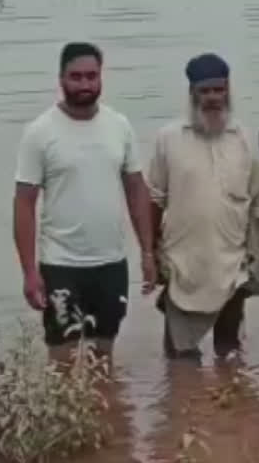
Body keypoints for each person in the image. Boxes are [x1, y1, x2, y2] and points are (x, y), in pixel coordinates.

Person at [12, 42, 155, 350]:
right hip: (60, 264)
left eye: (92, 76)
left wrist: (147, 252)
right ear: (61, 79)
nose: (85, 84)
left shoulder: (119, 126)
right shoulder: (40, 132)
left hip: (111, 263)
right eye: (76, 77)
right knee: (63, 363)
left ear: (101, 77)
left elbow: (136, 189)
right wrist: (29, 272)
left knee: (104, 358)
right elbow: (24, 203)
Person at [147, 53, 259, 359]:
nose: (213, 98)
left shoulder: (244, 139)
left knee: (230, 354)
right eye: (205, 91)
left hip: (232, 266)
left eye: (219, 89)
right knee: (179, 359)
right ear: (192, 93)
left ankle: (221, 406)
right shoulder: (169, 139)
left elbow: (257, 205)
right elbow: (154, 199)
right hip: (182, 266)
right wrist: (150, 253)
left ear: (228, 90)